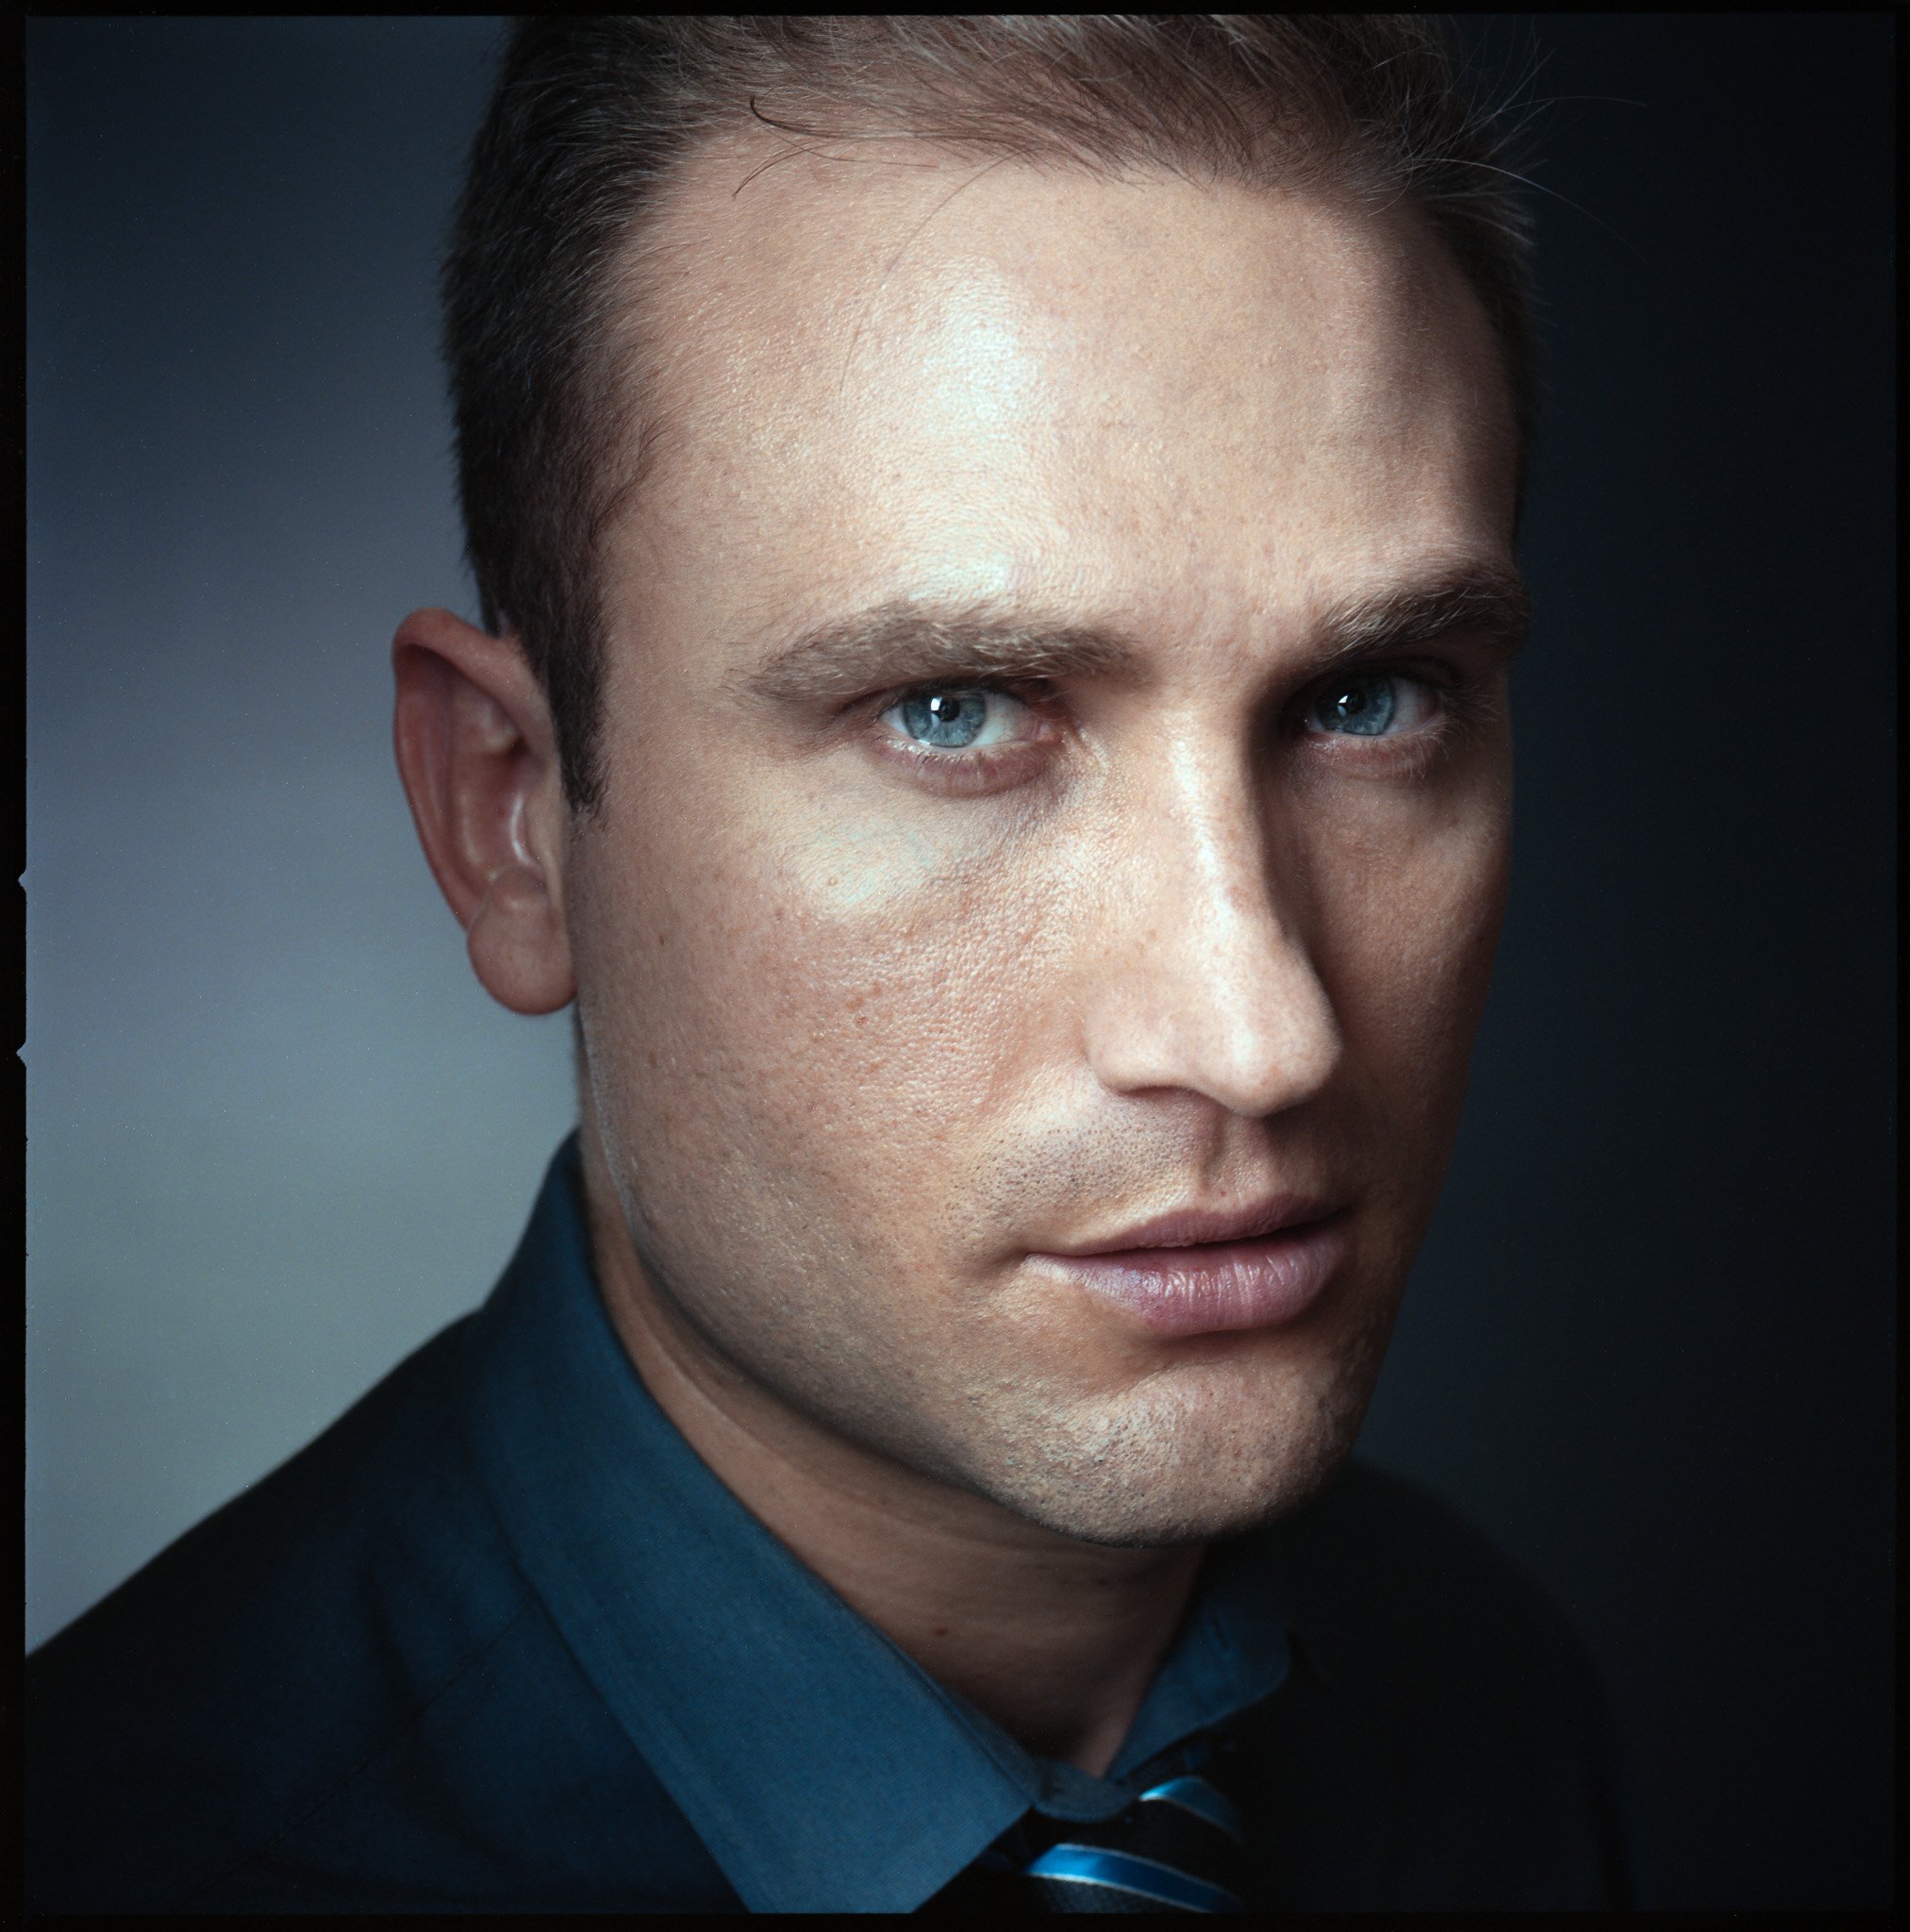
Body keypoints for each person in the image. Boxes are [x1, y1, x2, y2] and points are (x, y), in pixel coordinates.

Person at [25, 16, 1636, 1912]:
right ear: (511, 815)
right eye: (954, 712)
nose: (1260, 1028)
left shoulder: (1488, 1698)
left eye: (1368, 699)